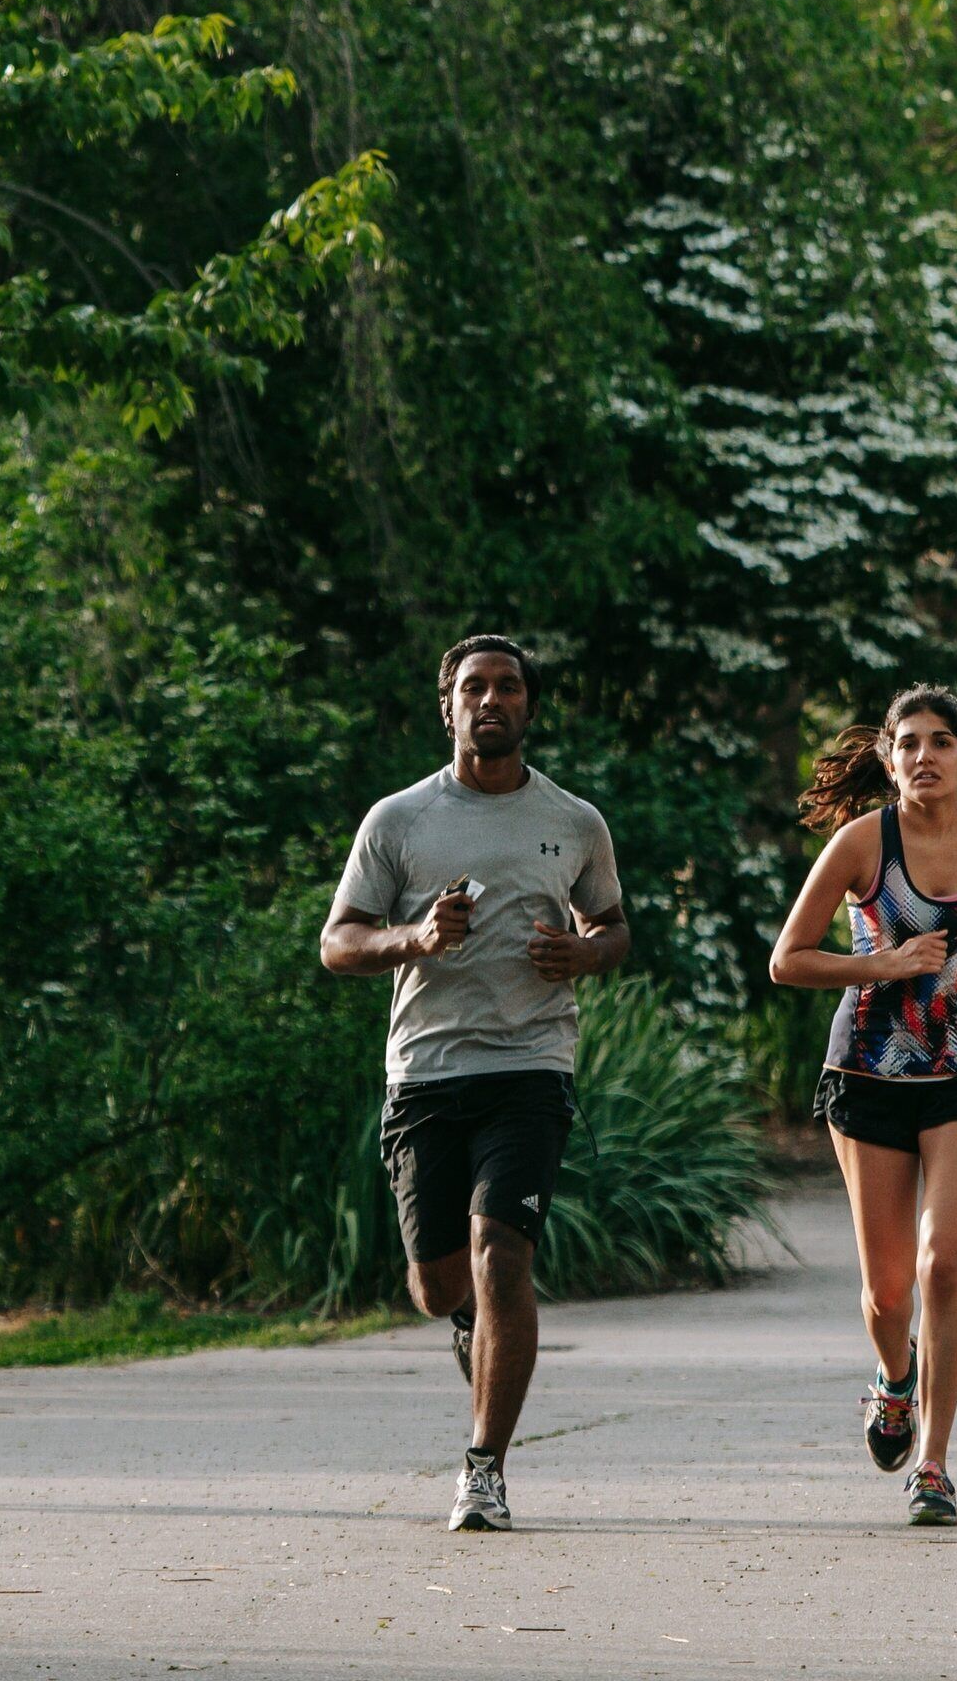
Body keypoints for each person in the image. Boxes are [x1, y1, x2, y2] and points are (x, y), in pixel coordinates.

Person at [321, 636, 628, 1535]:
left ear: (529, 707)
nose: (490, 700)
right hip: (426, 1073)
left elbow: (613, 928)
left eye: (507, 687)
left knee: (503, 1255)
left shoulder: (575, 821)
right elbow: (339, 942)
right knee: (439, 1284)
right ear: (448, 708)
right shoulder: (399, 820)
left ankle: (483, 1468)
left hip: (531, 1067)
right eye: (473, 688)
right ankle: (467, 1325)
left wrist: (584, 952)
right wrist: (413, 939)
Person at [769, 685, 957, 1529]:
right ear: (888, 758)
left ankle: (931, 1464)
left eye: (941, 742)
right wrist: (882, 967)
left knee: (944, 1266)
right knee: (890, 1294)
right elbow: (789, 959)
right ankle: (895, 1380)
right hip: (867, 1074)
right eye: (908, 743)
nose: (924, 756)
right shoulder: (863, 843)